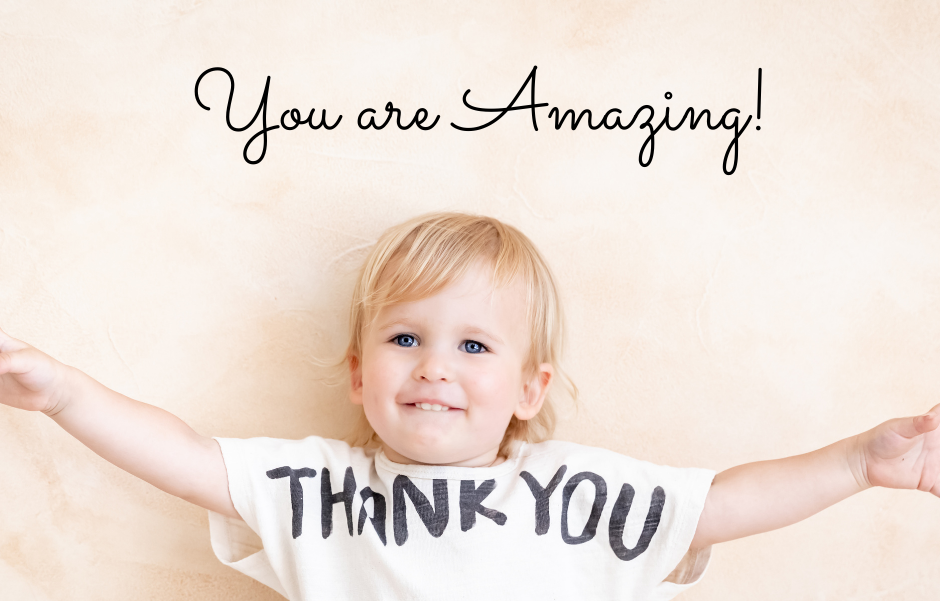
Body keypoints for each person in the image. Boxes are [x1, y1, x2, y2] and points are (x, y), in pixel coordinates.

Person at [0, 212, 937, 600]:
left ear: (531, 391)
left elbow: (722, 503)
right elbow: (187, 454)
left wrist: (857, 462)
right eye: (405, 338)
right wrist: (67, 393)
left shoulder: (574, 495)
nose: (434, 367)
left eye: (474, 345)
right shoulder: (321, 489)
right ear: (359, 375)